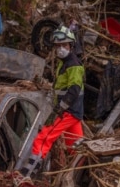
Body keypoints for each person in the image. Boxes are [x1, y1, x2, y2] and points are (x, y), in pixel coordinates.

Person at [20, 25, 84, 177]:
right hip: (74, 112)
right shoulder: (64, 63)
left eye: (64, 45)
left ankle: (27, 176)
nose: (61, 49)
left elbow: (74, 90)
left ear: (71, 46)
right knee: (76, 147)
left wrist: (59, 109)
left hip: (67, 111)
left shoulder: (73, 65)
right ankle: (81, 174)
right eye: (58, 46)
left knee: (43, 138)